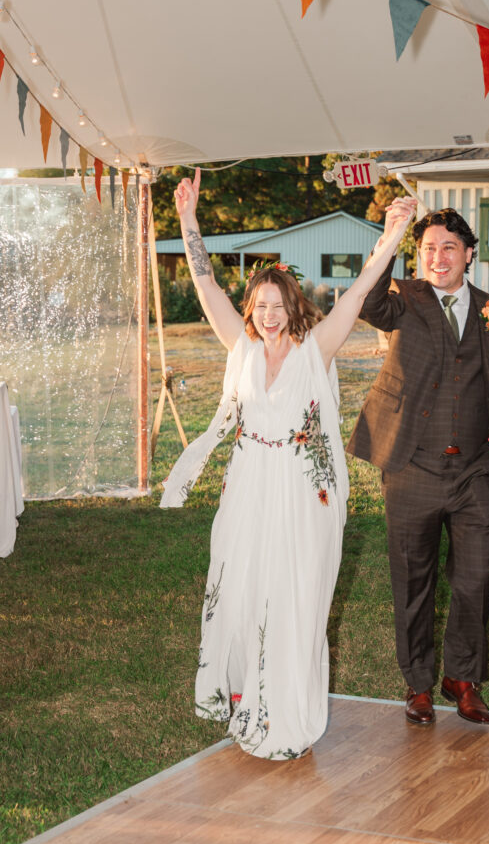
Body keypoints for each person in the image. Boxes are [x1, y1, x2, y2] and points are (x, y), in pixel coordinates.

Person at [160, 169, 415, 759]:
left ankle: (287, 714)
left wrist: (391, 238)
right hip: (249, 484)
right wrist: (189, 219)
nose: (268, 315)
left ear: (293, 305)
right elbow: (205, 287)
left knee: (293, 593)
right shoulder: (243, 349)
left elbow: (355, 294)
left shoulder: (313, 349)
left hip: (300, 492)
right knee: (242, 588)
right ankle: (247, 698)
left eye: (277, 305)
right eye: (260, 305)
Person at [347, 207, 489, 726]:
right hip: (411, 464)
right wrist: (390, 238)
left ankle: (463, 678)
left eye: (448, 248)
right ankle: (417, 684)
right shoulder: (405, 300)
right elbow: (367, 302)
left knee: (476, 577)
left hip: (475, 469)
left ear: (469, 254)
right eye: (429, 248)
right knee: (413, 581)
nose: (438, 257)